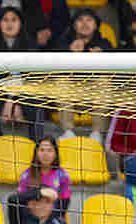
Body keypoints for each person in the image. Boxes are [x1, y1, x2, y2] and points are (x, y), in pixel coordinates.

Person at [0, 7, 44, 141]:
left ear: (21, 23)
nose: (9, 24)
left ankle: (37, 142)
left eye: (14, 20)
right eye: (5, 20)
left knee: (37, 98)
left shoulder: (32, 47)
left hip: (24, 95)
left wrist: (14, 101)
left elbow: (33, 79)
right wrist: (10, 99)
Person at [57, 8, 113, 143]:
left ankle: (97, 133)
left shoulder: (104, 44)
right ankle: (68, 132)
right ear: (74, 25)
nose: (84, 24)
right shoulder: (63, 43)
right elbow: (51, 66)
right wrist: (69, 52)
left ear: (96, 25)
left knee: (104, 80)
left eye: (89, 20)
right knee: (61, 80)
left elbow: (116, 70)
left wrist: (102, 57)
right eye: (80, 20)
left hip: (94, 95)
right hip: (71, 94)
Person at [18, 137, 71, 215]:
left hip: (53, 218)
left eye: (49, 150)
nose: (45, 154)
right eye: (42, 150)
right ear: (36, 153)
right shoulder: (26, 175)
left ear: (55, 154)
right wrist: (40, 193)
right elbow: (19, 199)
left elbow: (64, 204)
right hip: (30, 217)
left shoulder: (63, 175)